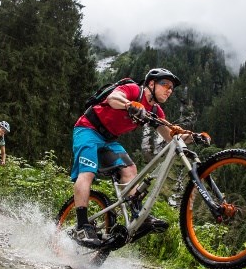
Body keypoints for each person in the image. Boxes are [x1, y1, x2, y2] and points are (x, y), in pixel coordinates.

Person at [70, 68, 195, 247]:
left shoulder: (155, 110)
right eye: (165, 85)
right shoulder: (133, 90)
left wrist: (194, 137)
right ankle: (82, 226)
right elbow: (113, 99)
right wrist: (130, 105)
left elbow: (170, 136)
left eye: (172, 88)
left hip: (109, 140)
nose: (169, 90)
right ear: (151, 83)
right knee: (87, 173)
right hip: (87, 129)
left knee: (130, 170)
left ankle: (138, 216)